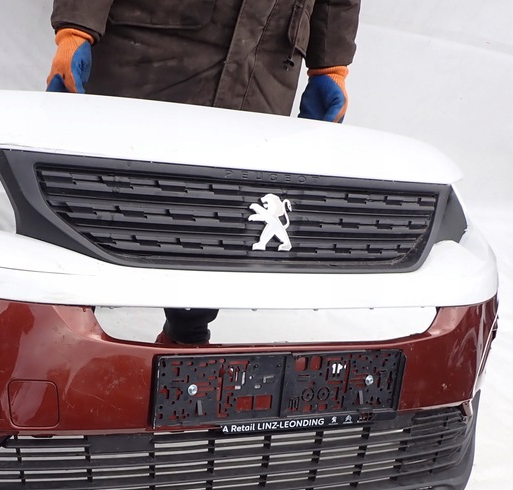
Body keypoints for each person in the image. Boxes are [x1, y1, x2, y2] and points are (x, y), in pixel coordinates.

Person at [46, 0, 362, 343]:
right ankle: (58, 341)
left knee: (222, 217)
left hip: (265, 61)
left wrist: (330, 65)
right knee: (100, 201)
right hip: (154, 44)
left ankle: (186, 342)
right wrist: (77, 25)